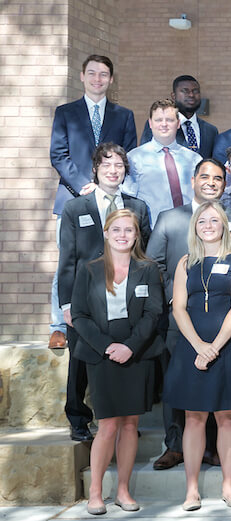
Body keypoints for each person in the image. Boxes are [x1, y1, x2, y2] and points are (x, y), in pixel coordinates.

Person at [161, 202, 231, 510]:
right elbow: (178, 307)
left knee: (228, 417)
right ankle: (192, 489)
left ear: (224, 225)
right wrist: (199, 346)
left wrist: (214, 346)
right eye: (202, 220)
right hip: (192, 346)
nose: (208, 225)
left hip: (228, 347)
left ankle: (228, 486)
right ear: (195, 226)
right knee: (193, 417)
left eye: (214, 220)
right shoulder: (185, 262)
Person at [146, 158, 231, 471]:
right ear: (193, 180)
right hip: (180, 320)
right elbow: (153, 264)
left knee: (216, 385)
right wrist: (174, 300)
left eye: (218, 178)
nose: (211, 182)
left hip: (221, 320)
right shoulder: (170, 218)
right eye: (205, 177)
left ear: (224, 185)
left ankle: (212, 448)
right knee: (180, 387)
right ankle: (174, 446)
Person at [71, 209, 163, 515]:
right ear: (107, 233)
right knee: (108, 425)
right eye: (117, 229)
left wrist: (130, 347)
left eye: (129, 230)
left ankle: (123, 490)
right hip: (101, 353)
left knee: (130, 424)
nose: (123, 235)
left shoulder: (147, 269)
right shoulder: (88, 269)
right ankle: (95, 492)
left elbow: (153, 313)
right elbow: (79, 316)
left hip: (136, 353)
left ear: (137, 236)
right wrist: (106, 346)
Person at [58, 144, 151, 444]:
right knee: (82, 358)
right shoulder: (76, 207)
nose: (113, 170)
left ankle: (124, 420)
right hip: (85, 299)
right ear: (96, 169)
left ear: (126, 170)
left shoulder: (138, 207)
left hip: (126, 297)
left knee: (123, 356)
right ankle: (78, 417)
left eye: (119, 166)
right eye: (107, 165)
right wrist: (67, 303)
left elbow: (144, 254)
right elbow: (67, 259)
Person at [49, 54, 137, 352]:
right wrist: (83, 185)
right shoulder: (66, 112)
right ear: (82, 76)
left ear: (111, 79)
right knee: (68, 259)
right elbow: (58, 155)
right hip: (73, 199)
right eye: (92, 73)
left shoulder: (123, 115)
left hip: (110, 199)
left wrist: (105, 183)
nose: (98, 79)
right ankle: (58, 326)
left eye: (103, 74)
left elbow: (128, 156)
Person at [124, 99, 201, 225]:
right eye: (158, 120)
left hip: (189, 229)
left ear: (178, 123)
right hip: (152, 230)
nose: (164, 124)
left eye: (170, 120)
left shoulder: (194, 159)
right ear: (150, 123)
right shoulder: (134, 158)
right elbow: (128, 198)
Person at [140, 75, 218, 158]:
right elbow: (146, 155)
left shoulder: (211, 130)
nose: (191, 95)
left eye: (195, 91)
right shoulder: (160, 125)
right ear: (173, 96)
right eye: (185, 91)